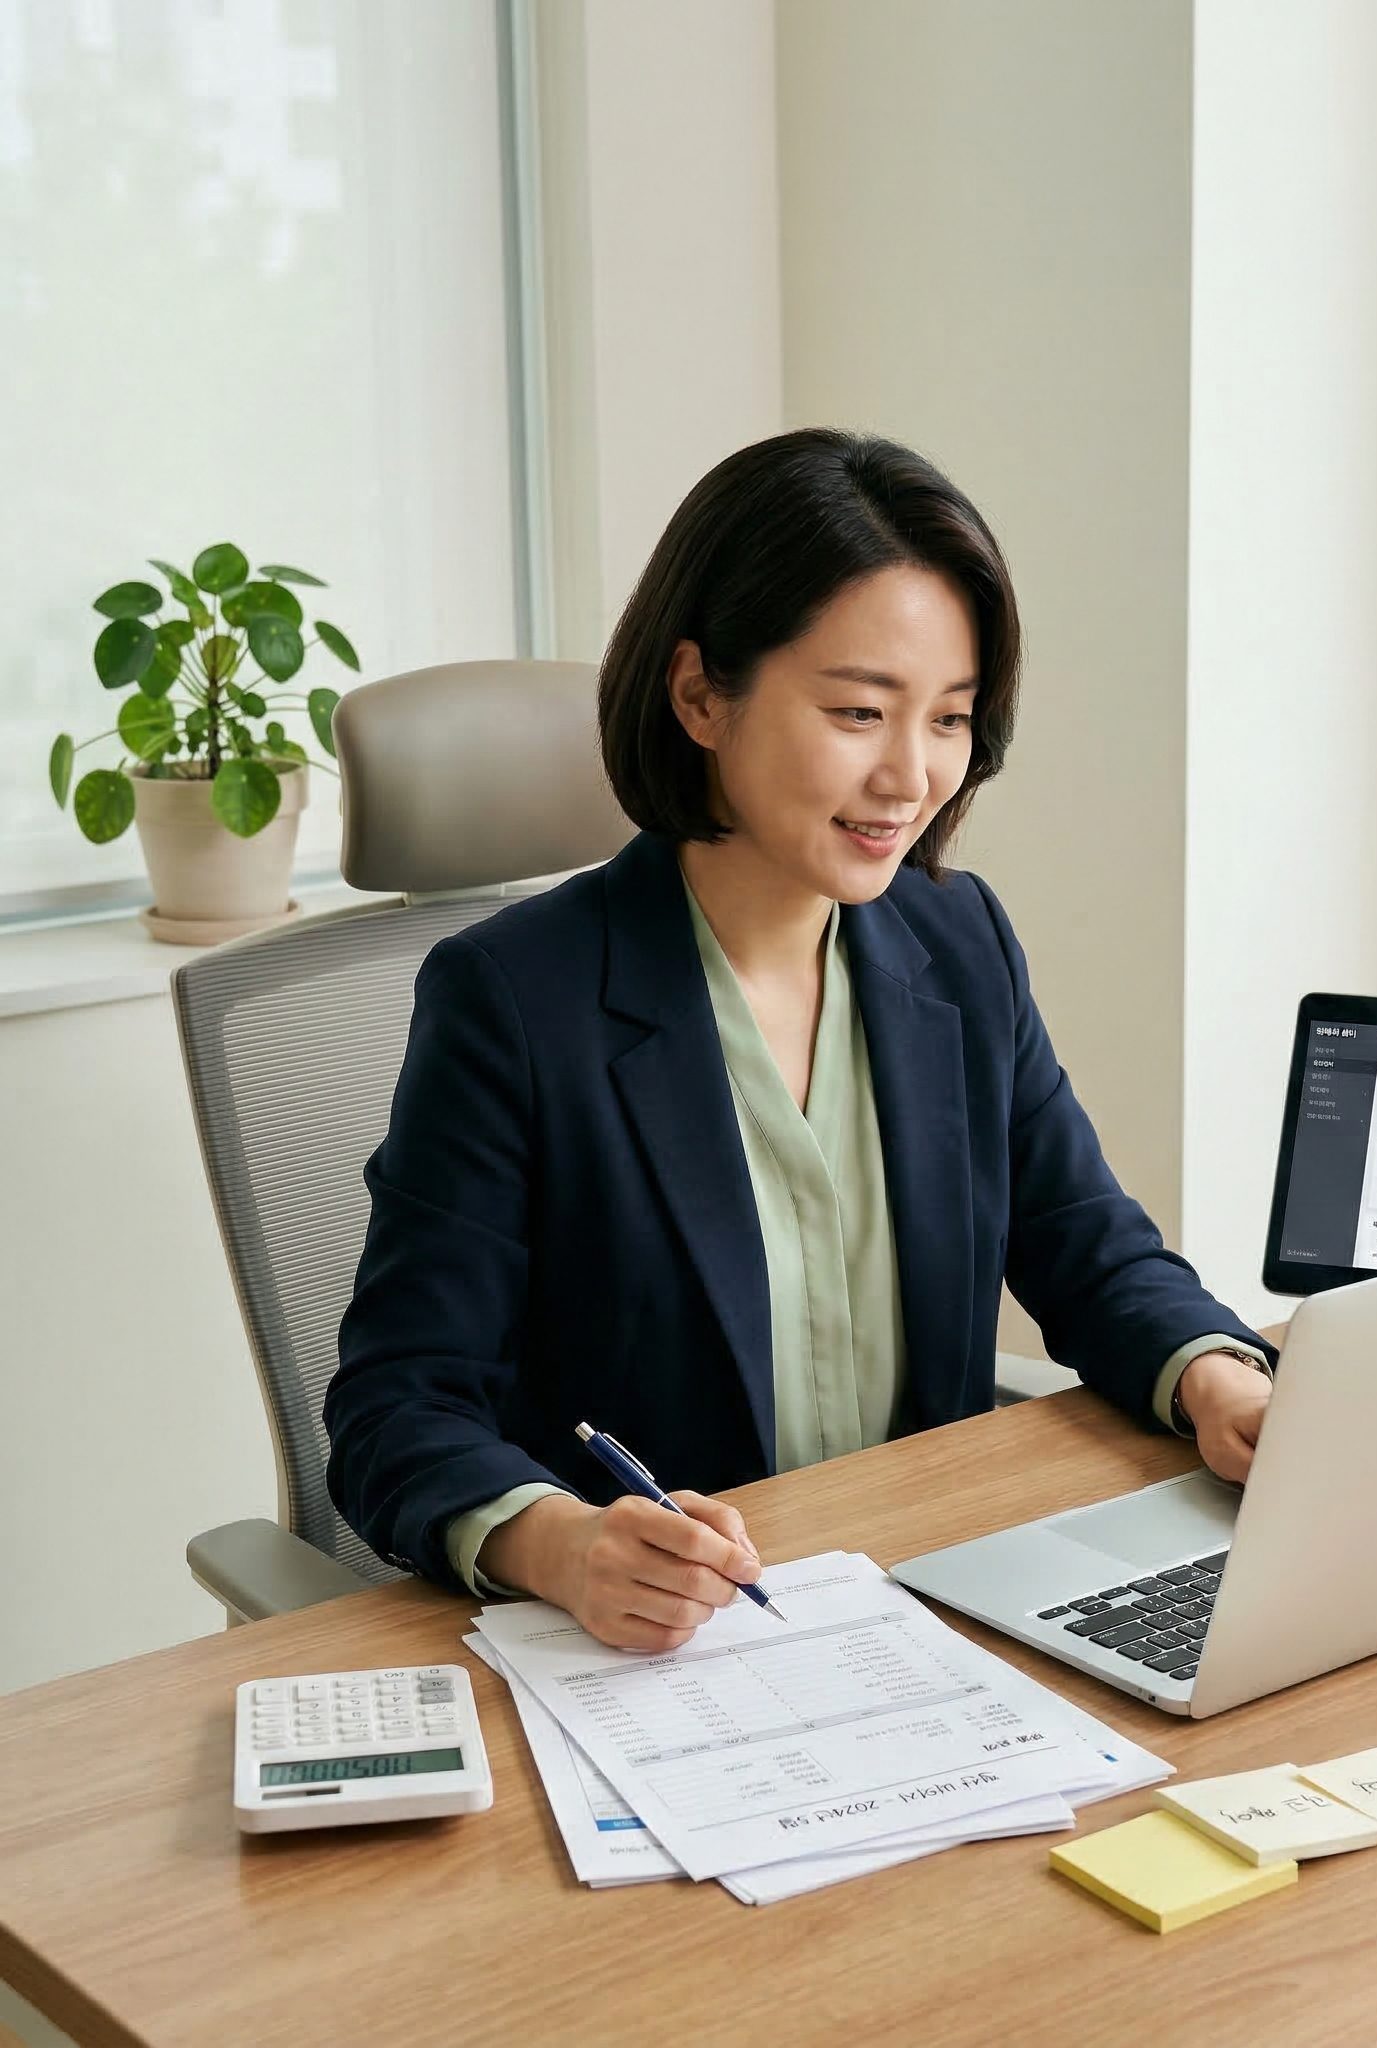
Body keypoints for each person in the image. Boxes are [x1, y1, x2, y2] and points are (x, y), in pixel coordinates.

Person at [325, 428, 1278, 1652]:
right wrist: (560, 1541)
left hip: (926, 1606)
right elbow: (398, 1402)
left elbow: (1084, 1245)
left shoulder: (958, 942)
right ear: (699, 695)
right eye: (858, 712)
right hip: (673, 1651)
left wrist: (1213, 1375)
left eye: (950, 718)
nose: (911, 775)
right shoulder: (514, 999)